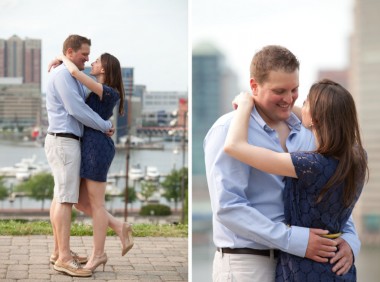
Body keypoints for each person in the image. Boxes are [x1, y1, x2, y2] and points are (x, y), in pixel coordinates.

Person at [204, 45, 361, 282]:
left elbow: (331, 195)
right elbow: (229, 207)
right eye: (280, 91)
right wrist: (296, 241)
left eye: (295, 89)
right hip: (249, 264)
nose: (289, 99)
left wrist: (350, 240)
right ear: (254, 86)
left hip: (299, 266)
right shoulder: (227, 130)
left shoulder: (309, 132)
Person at [51, 51, 134, 272]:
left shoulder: (108, 91)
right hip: (89, 145)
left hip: (96, 148)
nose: (92, 62)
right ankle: (119, 226)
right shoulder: (99, 89)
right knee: (79, 202)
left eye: (96, 61)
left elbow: (75, 72)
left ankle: (98, 255)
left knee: (97, 205)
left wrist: (61, 57)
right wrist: (62, 60)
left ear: (105, 68)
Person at [45, 34, 113, 277]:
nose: (87, 58)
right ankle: (63, 258)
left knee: (59, 197)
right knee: (65, 199)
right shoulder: (64, 74)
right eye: (84, 54)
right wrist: (105, 125)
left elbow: (80, 91)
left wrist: (60, 57)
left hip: (63, 140)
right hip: (64, 141)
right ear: (71, 52)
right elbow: (76, 109)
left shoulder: (67, 71)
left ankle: (58, 252)